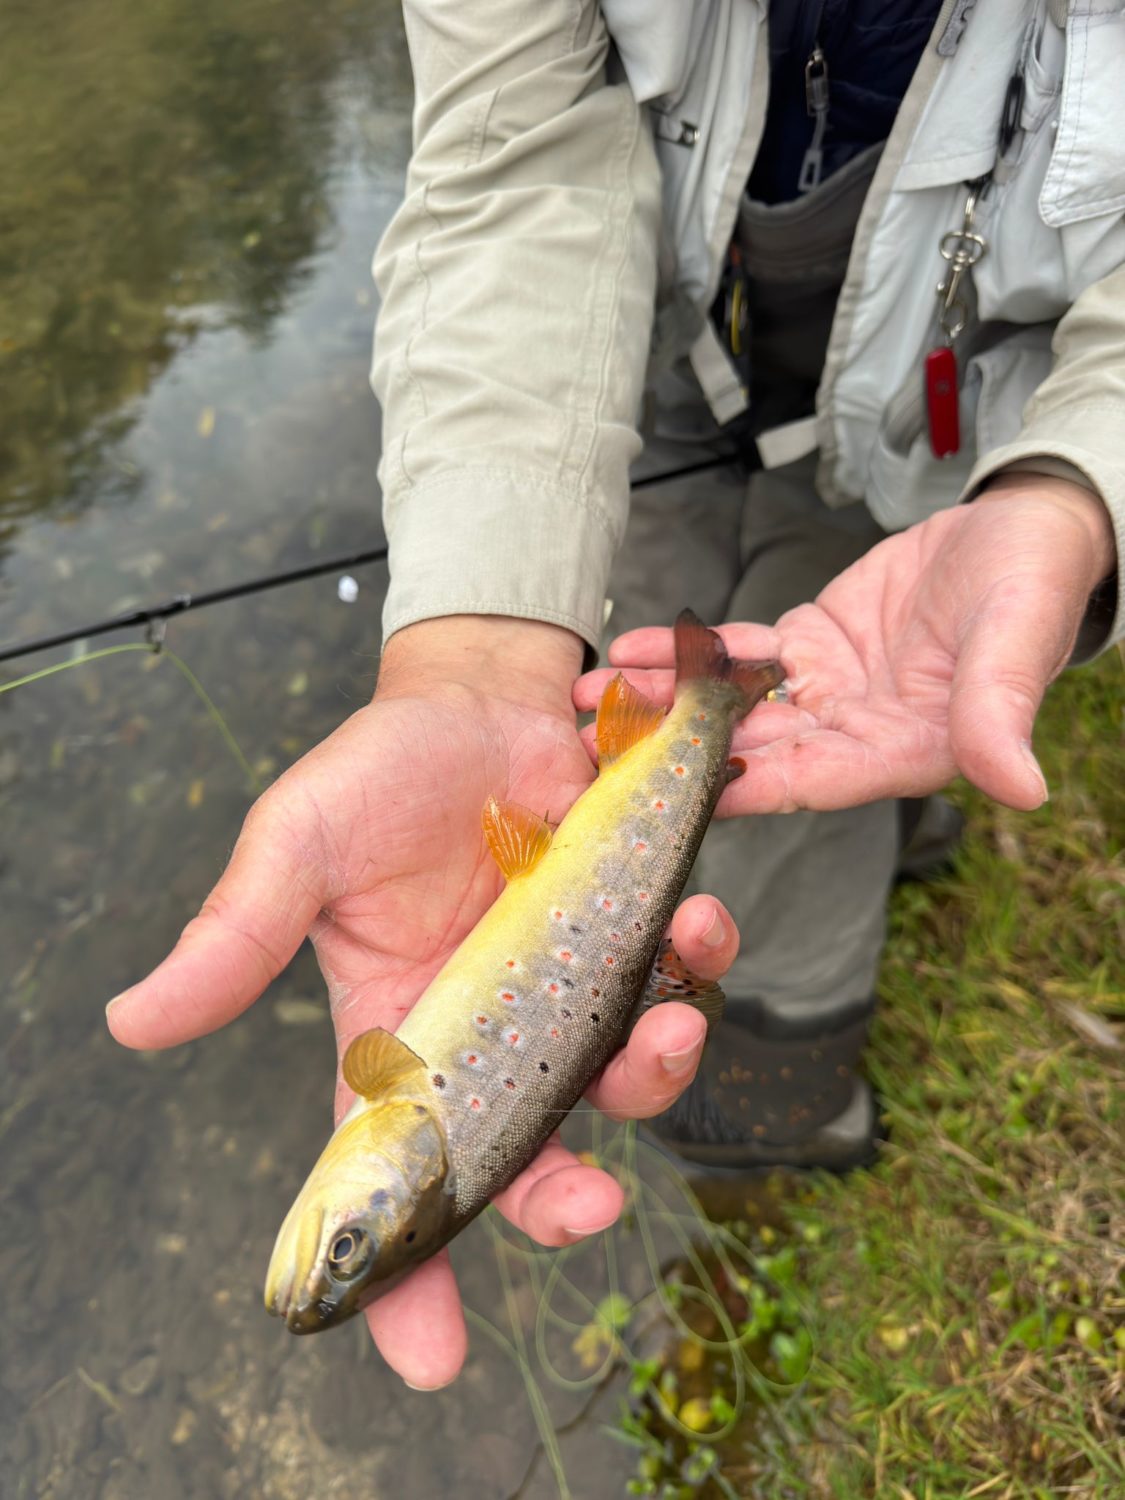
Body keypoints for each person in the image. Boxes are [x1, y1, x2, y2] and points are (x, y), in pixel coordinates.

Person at [106, 0, 1122, 1390]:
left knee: (839, 715)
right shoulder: (415, 1115)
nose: (328, 1253)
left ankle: (795, 1077)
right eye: (352, 1248)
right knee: (699, 690)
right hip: (651, 348)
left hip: (971, 407)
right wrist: (471, 658)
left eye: (349, 1248)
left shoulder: (394, 1104)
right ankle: (822, 798)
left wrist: (1072, 483)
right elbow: (507, 159)